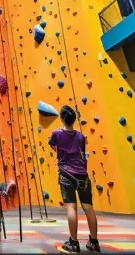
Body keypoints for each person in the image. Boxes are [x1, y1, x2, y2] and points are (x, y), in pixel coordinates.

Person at [49, 105, 100, 253]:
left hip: (66, 173)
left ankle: (74, 242)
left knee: (71, 207)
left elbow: (52, 145)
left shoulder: (56, 133)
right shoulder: (80, 136)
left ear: (63, 119)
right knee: (88, 208)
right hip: (82, 174)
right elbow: (82, 153)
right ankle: (94, 242)